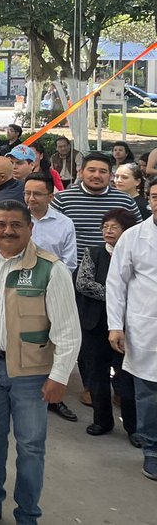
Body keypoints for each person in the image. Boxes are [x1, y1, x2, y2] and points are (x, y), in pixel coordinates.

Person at [0, 200, 80, 525]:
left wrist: (59, 377)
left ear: (30, 228)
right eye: (1, 224)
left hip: (31, 374)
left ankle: (27, 515)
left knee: (30, 447)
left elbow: (69, 331)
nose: (8, 231)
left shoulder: (50, 269)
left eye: (16, 225)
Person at [77, 208, 139, 444]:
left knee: (126, 377)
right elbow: (83, 283)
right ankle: (102, 420)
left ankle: (134, 427)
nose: (108, 231)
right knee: (96, 375)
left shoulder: (134, 253)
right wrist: (116, 294)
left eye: (114, 227)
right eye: (105, 226)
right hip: (95, 324)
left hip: (127, 326)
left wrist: (119, 297)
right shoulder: (93, 253)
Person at [107, 196, 157, 479]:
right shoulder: (134, 237)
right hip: (145, 326)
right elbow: (116, 283)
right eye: (155, 197)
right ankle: (152, 449)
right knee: (148, 392)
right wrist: (116, 325)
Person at [53, 151, 139, 257]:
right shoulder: (62, 199)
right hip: (71, 267)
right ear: (80, 172)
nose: (97, 175)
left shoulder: (125, 201)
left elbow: (138, 236)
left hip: (113, 266)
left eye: (103, 171)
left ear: (111, 175)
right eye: (91, 170)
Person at [23, 173, 78, 272]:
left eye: (37, 194)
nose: (31, 198)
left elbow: (69, 262)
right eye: (27, 193)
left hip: (53, 279)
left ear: (51, 197)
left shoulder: (65, 223)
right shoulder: (17, 220)